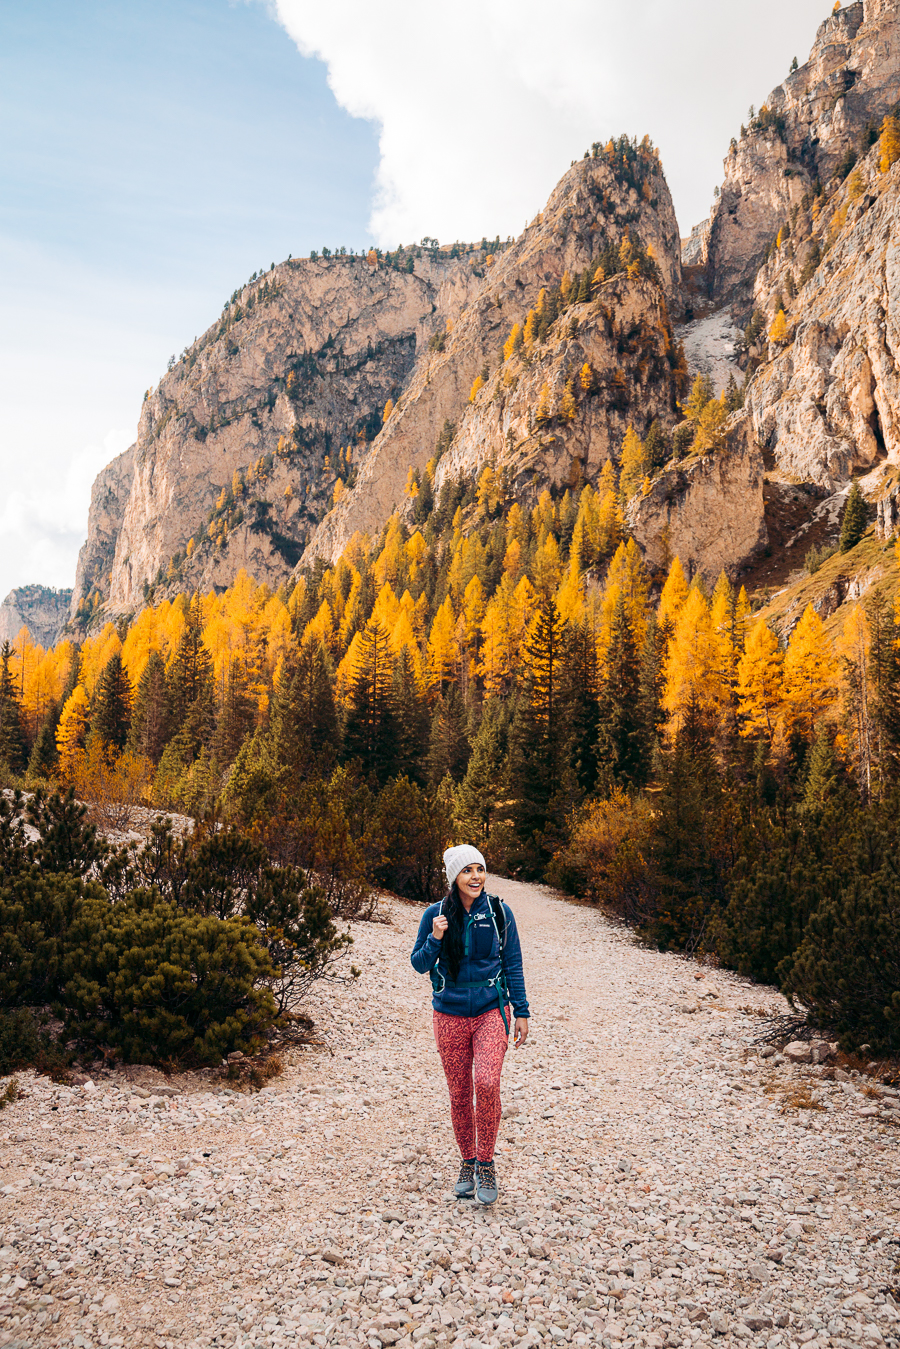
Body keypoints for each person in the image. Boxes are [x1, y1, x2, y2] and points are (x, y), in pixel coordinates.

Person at [411, 844, 530, 1204]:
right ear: (454, 877)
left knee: (487, 1082)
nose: (476, 876)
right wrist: (435, 938)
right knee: (460, 1093)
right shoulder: (434, 914)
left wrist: (521, 1010)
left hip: (491, 1010)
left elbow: (513, 962)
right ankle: (467, 1162)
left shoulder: (498, 912)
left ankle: (487, 1163)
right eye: (467, 871)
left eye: (479, 869)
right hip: (448, 1013)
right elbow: (418, 963)